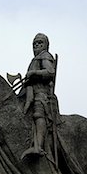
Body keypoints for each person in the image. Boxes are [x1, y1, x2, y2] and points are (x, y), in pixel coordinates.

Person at [20, 33, 59, 161]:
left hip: (41, 93)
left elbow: (50, 72)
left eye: (40, 43)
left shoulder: (45, 56)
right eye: (34, 44)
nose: (36, 46)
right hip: (29, 93)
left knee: (38, 113)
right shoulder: (34, 60)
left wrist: (34, 72)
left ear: (46, 46)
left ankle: (39, 146)